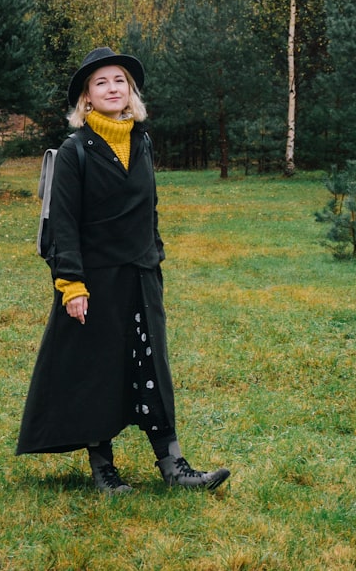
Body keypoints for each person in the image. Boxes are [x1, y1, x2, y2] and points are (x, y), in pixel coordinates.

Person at [16, 47, 230, 494]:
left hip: (141, 274)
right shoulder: (76, 152)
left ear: (130, 92)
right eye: (102, 83)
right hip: (94, 280)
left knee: (153, 363)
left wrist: (155, 254)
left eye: (120, 81)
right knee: (100, 369)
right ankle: (103, 470)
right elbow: (63, 224)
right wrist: (71, 285)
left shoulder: (141, 141)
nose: (113, 88)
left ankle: (173, 466)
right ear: (86, 99)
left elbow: (147, 207)